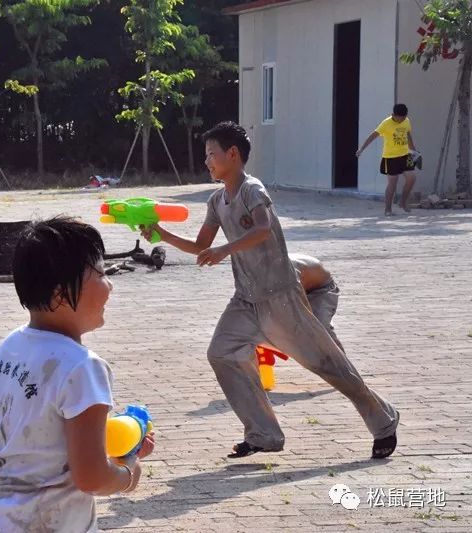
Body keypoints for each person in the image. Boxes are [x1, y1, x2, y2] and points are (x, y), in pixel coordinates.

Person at [144, 121, 399, 459]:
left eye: (211, 155)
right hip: (245, 299)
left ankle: (384, 422)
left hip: (282, 297)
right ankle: (263, 433)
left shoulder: (253, 189)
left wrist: (226, 250)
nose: (207, 162)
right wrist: (161, 234)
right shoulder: (217, 200)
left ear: (232, 155)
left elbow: (263, 229)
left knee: (328, 365)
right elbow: (201, 244)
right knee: (221, 352)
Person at [0, 217, 155, 532]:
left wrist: (116, 442)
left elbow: (42, 439)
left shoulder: (8, 349)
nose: (109, 285)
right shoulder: (83, 367)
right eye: (101, 273)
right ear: (59, 295)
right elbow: (92, 477)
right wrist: (129, 471)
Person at [356, 103, 419, 215]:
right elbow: (373, 136)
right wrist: (361, 149)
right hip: (390, 157)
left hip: (405, 155)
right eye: (400, 118)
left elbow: (408, 135)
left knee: (412, 178)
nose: (402, 120)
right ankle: (388, 209)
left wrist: (414, 151)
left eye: (404, 118)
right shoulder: (386, 123)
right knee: (392, 183)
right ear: (393, 115)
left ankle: (403, 202)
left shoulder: (407, 121)